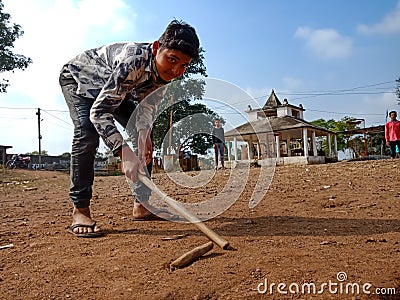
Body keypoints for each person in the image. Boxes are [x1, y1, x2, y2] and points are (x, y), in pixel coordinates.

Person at [59, 20, 200, 237]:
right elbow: (99, 112)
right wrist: (123, 151)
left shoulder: (165, 75)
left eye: (183, 65)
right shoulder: (133, 61)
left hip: (117, 89)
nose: (175, 70)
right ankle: (80, 210)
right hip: (80, 79)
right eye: (172, 60)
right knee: (87, 134)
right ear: (156, 49)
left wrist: (143, 134)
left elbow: (146, 107)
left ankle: (142, 204)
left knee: (145, 140)